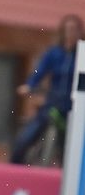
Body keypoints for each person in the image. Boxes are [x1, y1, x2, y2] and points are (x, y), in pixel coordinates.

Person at [11, 14, 84, 164]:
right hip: (53, 104)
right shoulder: (54, 53)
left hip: (72, 108)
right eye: (68, 29)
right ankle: (14, 167)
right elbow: (40, 71)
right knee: (25, 139)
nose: (71, 33)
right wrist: (29, 85)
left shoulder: (81, 55)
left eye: (74, 30)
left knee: (71, 147)